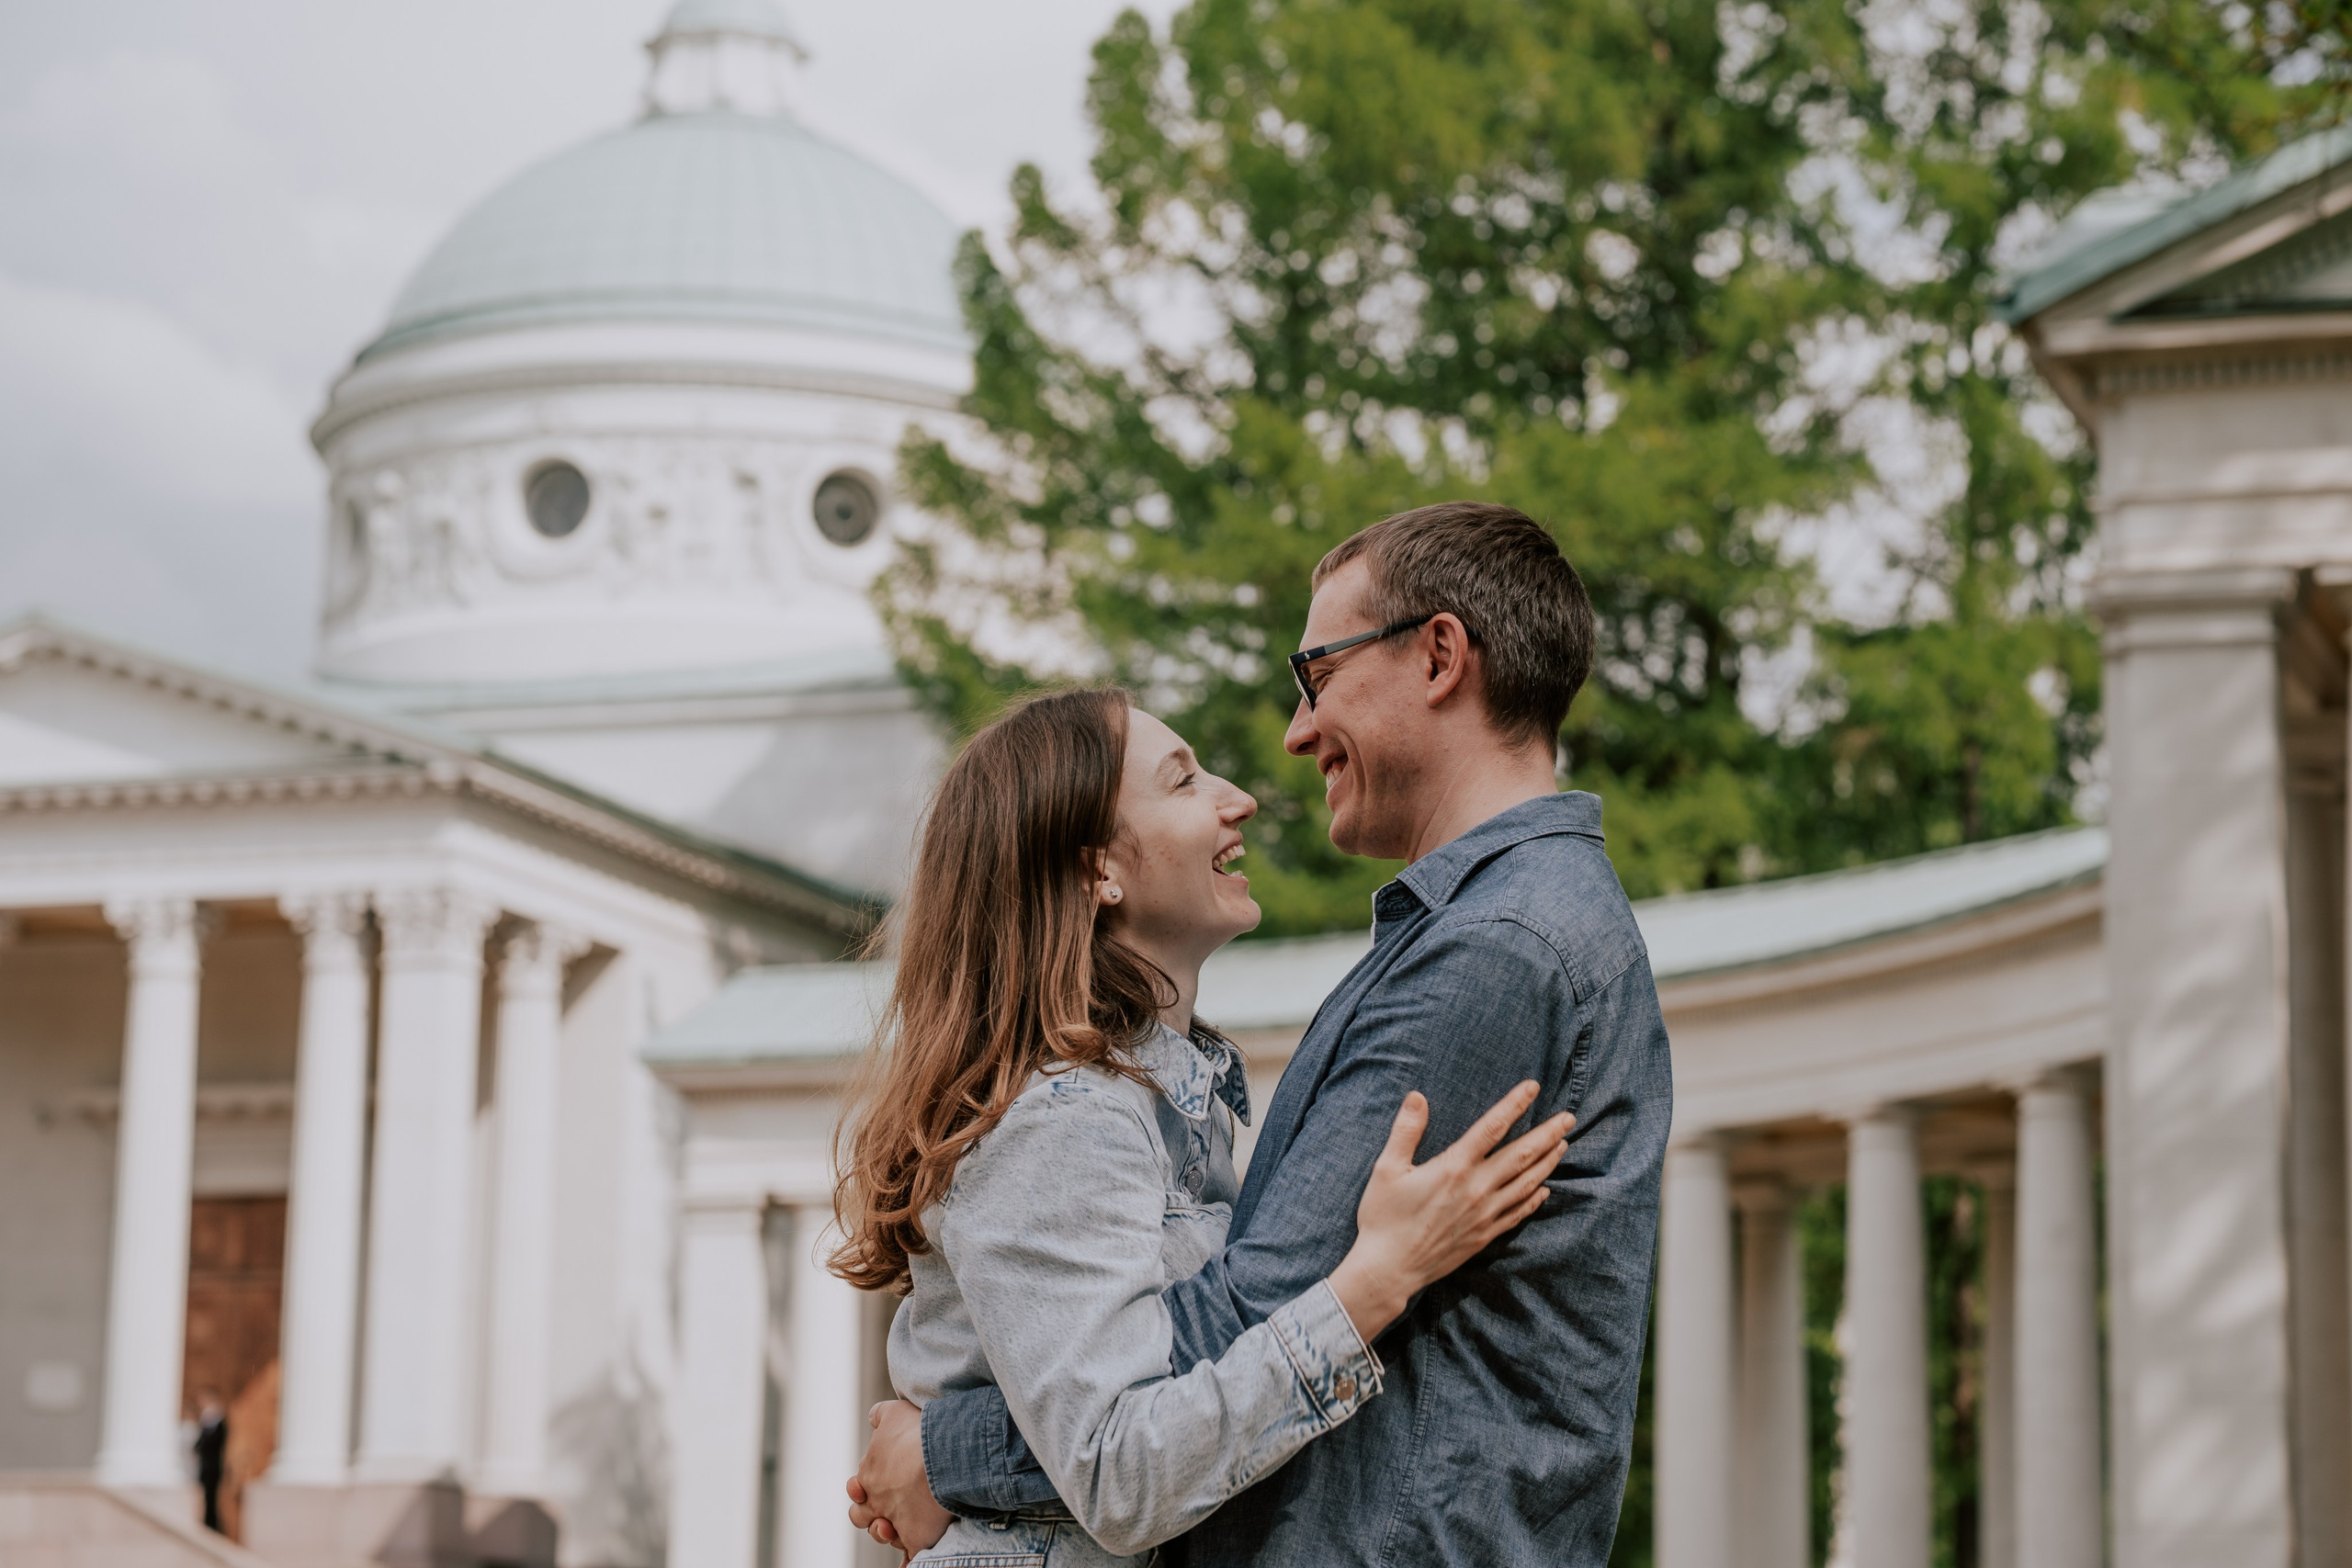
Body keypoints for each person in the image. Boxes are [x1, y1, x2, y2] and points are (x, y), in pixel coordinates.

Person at [853, 502, 1672, 1565]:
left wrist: (947, 1454)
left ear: (1438, 657)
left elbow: (1232, 1325)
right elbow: (1167, 1389)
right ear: (1095, 873)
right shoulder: (1100, 1109)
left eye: (1318, 674)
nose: (1290, 737)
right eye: (1184, 779)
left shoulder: (1493, 953)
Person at [192, 1387, 228, 1534]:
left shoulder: (218, 1421)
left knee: (212, 1498)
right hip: (204, 1466)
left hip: (213, 1466)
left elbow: (215, 1443)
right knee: (206, 1498)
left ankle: (212, 1526)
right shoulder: (204, 1420)